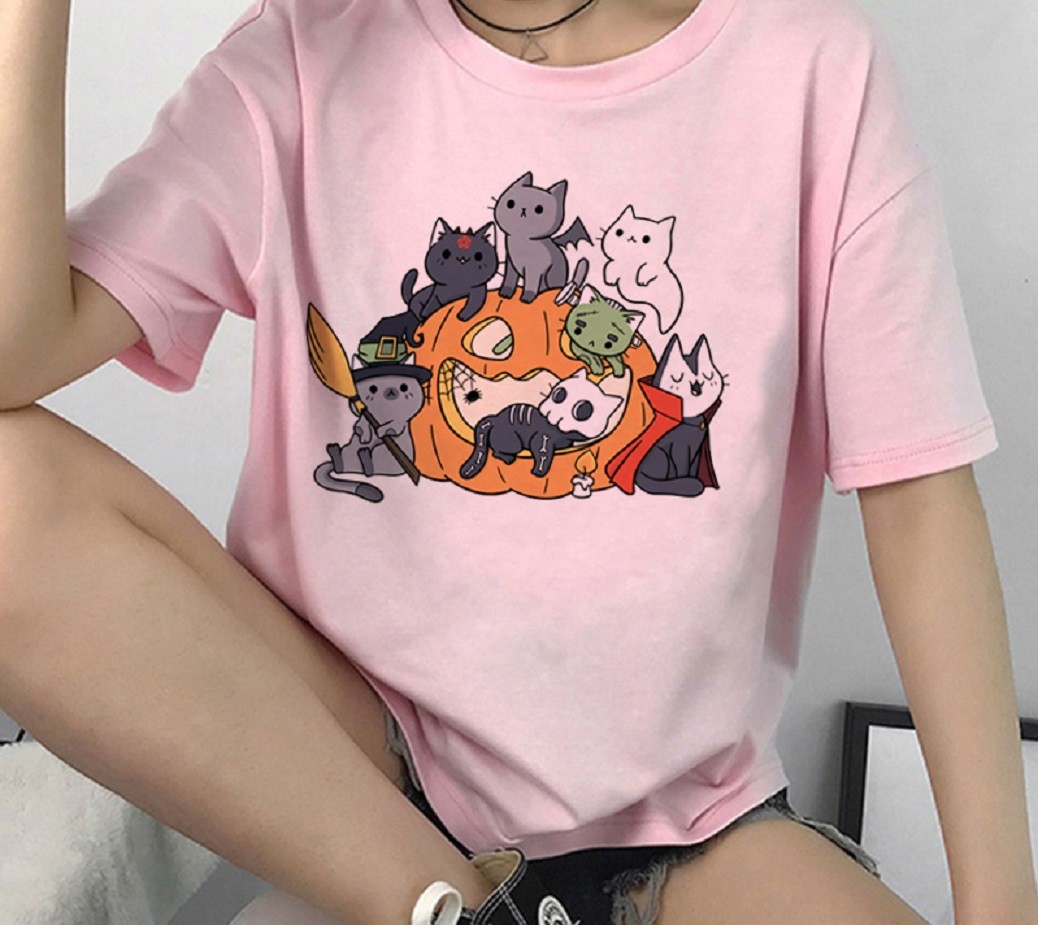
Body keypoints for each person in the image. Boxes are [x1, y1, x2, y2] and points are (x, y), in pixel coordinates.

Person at [0, 0, 1034, 923]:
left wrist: (1003, 904)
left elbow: (918, 498)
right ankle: (444, 905)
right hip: (364, 775)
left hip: (688, 825)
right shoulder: (304, 54)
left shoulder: (812, 66)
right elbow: (17, 355)